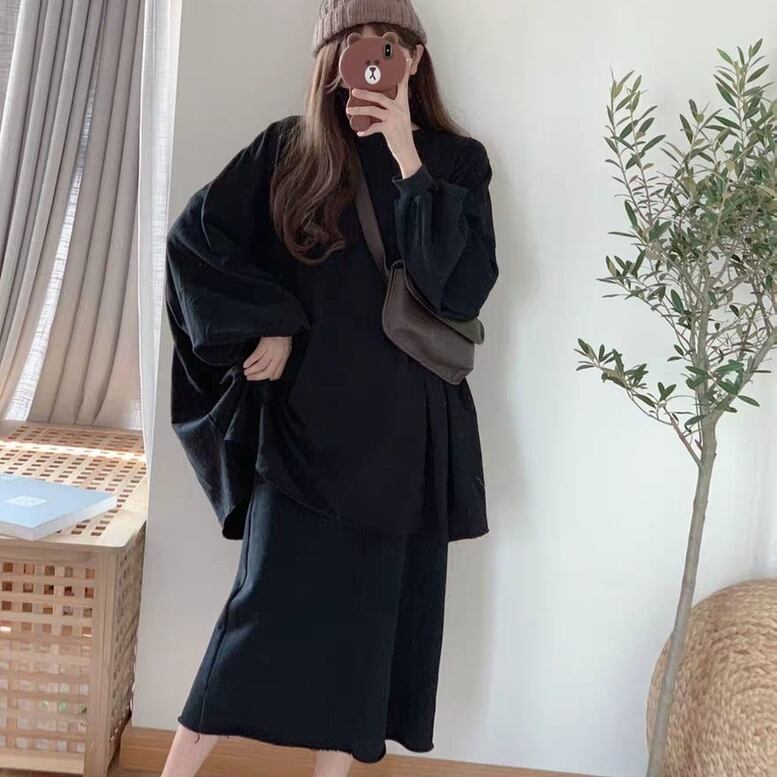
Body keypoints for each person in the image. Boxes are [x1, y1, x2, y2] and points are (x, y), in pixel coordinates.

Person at [161, 0, 499, 774]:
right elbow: (194, 241)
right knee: (257, 618)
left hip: (403, 439)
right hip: (301, 437)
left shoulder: (456, 163)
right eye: (352, 44)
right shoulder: (289, 152)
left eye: (390, 45)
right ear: (328, 62)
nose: (372, 59)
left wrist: (406, 153)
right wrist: (267, 323)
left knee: (364, 642)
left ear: (415, 58)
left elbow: (458, 289)